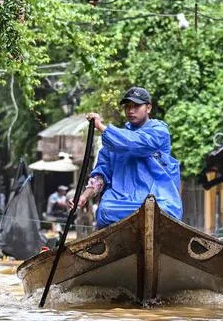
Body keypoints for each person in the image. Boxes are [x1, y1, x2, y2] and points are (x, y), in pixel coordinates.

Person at [76, 86, 182, 228]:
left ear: (148, 108)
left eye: (136, 106)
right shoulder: (113, 142)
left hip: (159, 200)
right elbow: (101, 176)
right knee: (105, 211)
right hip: (119, 204)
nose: (131, 111)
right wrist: (83, 197)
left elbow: (134, 143)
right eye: (127, 107)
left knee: (159, 210)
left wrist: (101, 127)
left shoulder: (159, 131)